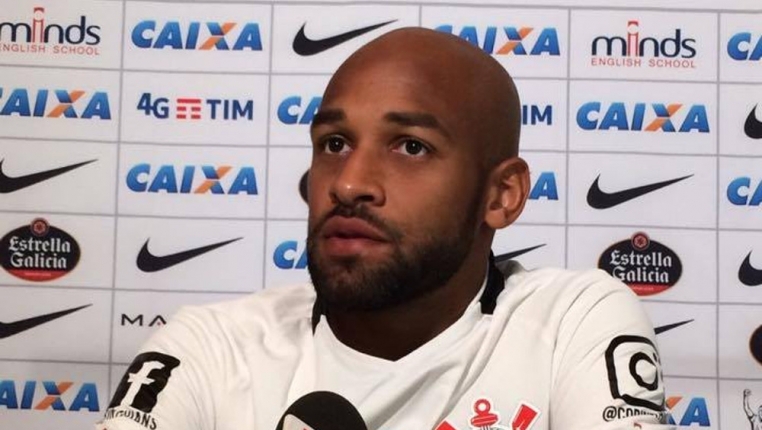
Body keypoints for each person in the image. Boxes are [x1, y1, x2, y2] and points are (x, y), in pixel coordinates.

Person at [96, 28, 673, 430]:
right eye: (334, 143)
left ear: (502, 195)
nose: (349, 183)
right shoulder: (209, 347)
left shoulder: (571, 321)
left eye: (411, 147)